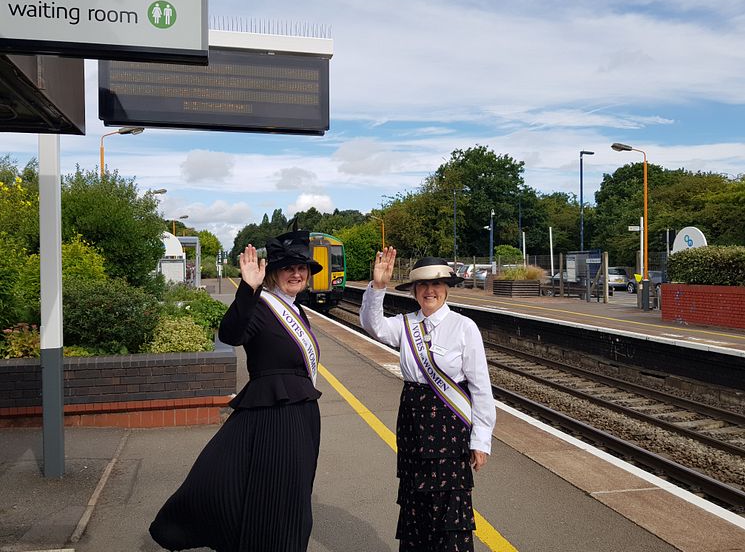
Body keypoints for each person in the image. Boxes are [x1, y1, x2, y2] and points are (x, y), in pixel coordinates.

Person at [149, 229, 323, 552]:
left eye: (302, 268)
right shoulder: (260, 305)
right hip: (274, 420)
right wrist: (247, 288)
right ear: (272, 273)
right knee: (268, 496)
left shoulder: (299, 311)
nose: (296, 273)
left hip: (301, 418)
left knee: (294, 496)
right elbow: (230, 333)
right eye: (287, 267)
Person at [359, 248, 496, 552]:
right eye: (423, 285)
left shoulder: (464, 327)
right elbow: (373, 326)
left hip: (449, 427)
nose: (429, 291)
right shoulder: (405, 324)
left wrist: (481, 439)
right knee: (416, 504)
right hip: (412, 422)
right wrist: (378, 286)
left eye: (436, 285)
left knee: (450, 509)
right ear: (415, 291)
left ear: (447, 289)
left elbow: (481, 387)